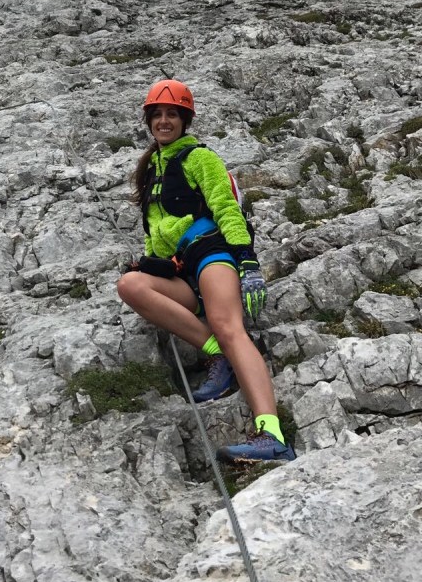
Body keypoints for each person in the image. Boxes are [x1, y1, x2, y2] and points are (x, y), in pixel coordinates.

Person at [116, 79, 296, 464]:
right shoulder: (150, 171)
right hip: (182, 270)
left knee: (229, 326)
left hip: (212, 255)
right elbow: (156, 236)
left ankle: (273, 434)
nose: (165, 121)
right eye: (158, 115)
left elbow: (227, 208)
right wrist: (148, 264)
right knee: (131, 285)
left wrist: (247, 261)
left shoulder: (200, 158)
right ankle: (217, 355)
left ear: (185, 120)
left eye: (173, 115)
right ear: (149, 121)